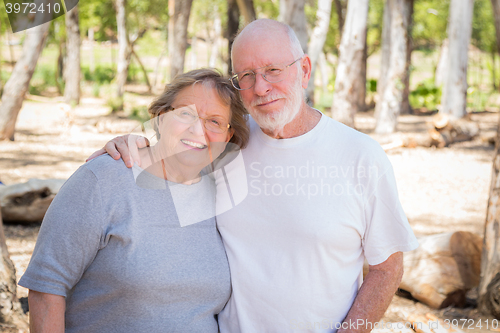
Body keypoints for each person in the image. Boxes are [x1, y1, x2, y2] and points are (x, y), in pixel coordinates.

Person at [90, 19, 419, 333]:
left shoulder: (361, 155)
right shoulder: (227, 139)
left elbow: (387, 268)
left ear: (304, 70)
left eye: (273, 70)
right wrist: (129, 143)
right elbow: (170, 146)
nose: (261, 87)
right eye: (246, 75)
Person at [19, 69, 250, 333]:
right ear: (161, 117)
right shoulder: (104, 179)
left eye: (215, 122)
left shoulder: (221, 194)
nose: (198, 129)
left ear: (228, 137)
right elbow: (46, 288)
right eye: (186, 114)